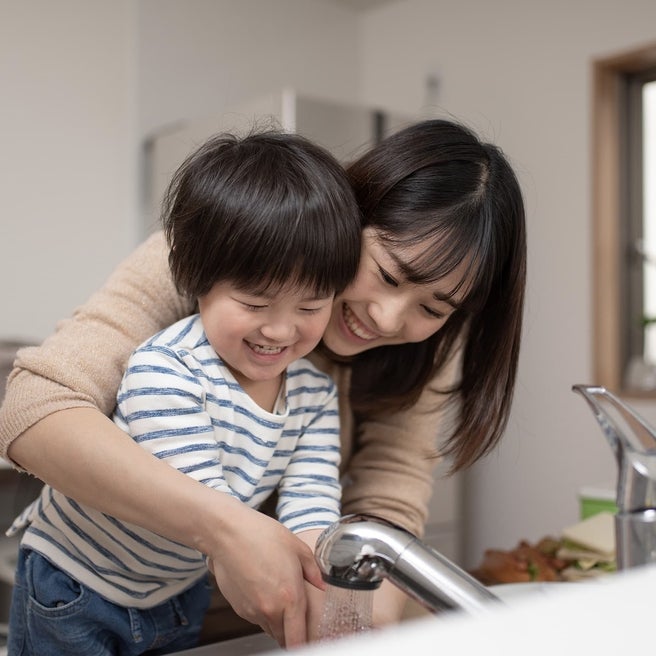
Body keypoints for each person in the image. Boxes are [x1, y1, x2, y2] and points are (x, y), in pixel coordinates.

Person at [0, 118, 527, 648]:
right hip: (101, 582)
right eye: (388, 275)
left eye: (433, 306)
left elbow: (386, 490)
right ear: (348, 221)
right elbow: (36, 408)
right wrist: (225, 531)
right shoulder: (223, 250)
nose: (389, 319)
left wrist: (354, 603)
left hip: (220, 603)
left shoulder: (386, 364)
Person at [4, 130, 361, 656]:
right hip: (76, 581)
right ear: (197, 281)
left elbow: (311, 504)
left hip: (175, 590)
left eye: (310, 308)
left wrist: (320, 587)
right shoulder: (166, 367)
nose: (281, 331)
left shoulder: (314, 396)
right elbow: (209, 505)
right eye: (256, 303)